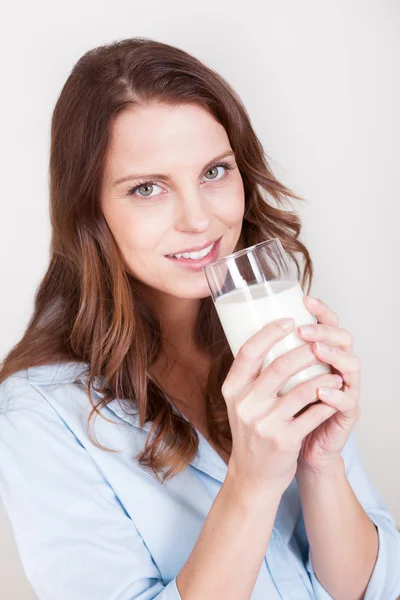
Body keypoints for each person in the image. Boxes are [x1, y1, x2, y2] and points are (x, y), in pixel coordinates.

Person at [0, 36, 399, 600]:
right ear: (91, 210)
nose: (200, 219)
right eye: (147, 188)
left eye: (214, 172)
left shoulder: (271, 332)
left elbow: (375, 588)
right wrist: (251, 483)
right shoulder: (39, 411)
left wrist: (321, 463)